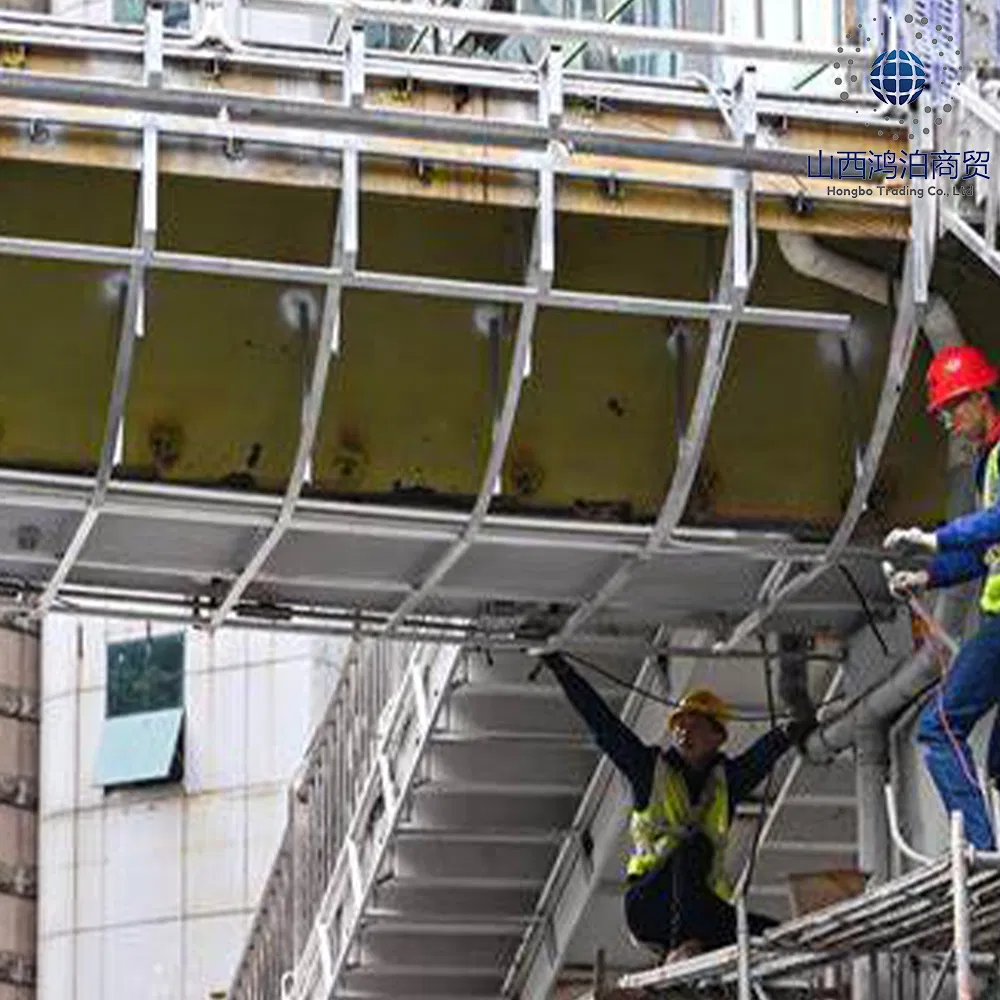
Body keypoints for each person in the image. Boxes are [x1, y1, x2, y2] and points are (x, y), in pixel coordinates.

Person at [536, 651, 812, 961]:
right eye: (678, 725)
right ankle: (681, 947)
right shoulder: (650, 772)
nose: (682, 731)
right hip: (649, 904)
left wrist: (789, 732)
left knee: (767, 933)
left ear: (718, 736)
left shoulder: (726, 783)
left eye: (693, 725)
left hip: (700, 910)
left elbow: (760, 756)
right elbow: (606, 727)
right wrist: (564, 672)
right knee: (694, 847)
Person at [883, 343, 1000, 852]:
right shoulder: (989, 466)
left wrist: (940, 535)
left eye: (954, 406)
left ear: (981, 397)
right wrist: (926, 577)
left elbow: (991, 527)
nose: (949, 420)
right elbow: (985, 553)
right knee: (997, 763)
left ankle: (982, 855)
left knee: (939, 726)